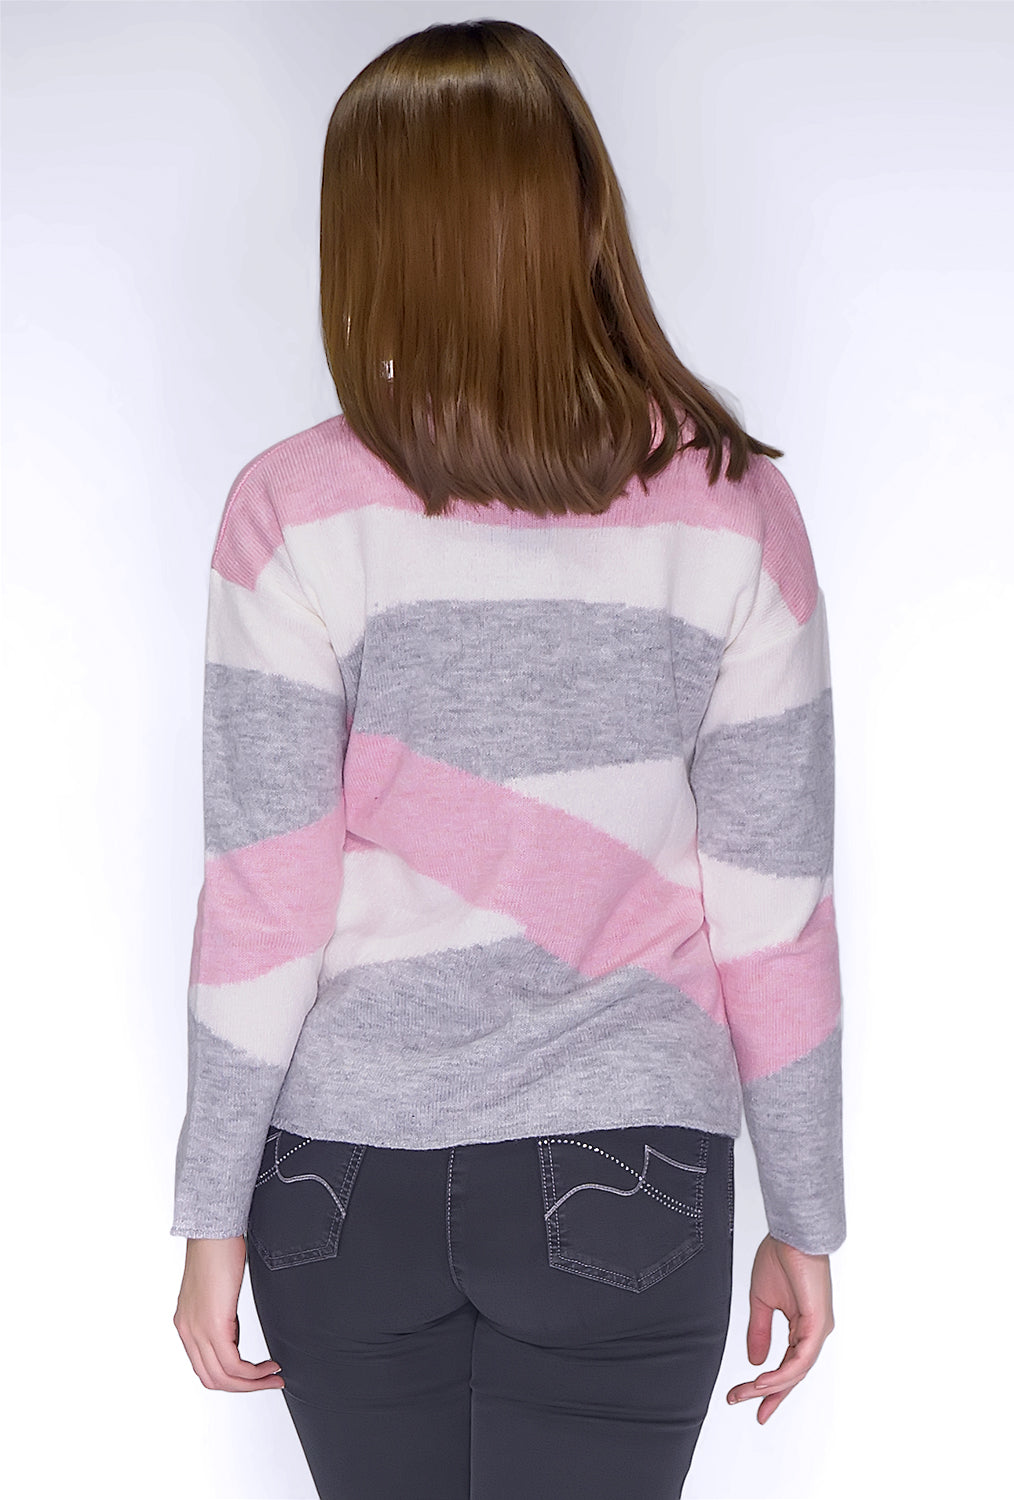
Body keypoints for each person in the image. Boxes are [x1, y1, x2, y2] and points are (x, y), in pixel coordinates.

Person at [171, 17, 844, 1499]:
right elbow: (772, 902)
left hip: (344, 1178)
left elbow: (265, 891)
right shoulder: (731, 507)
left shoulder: (291, 507)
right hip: (631, 1169)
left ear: (371, 238)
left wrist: (210, 1206)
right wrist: (805, 1211)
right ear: (579, 212)